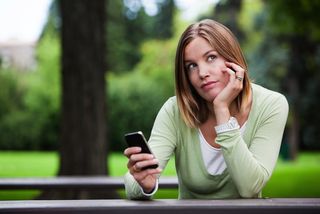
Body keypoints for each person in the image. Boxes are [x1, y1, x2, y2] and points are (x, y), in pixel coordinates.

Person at [123, 19, 289, 199]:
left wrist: (222, 110)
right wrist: (144, 183)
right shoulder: (175, 110)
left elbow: (250, 187)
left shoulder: (271, 105)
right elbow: (133, 187)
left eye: (211, 57)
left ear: (232, 58)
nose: (202, 73)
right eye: (191, 66)